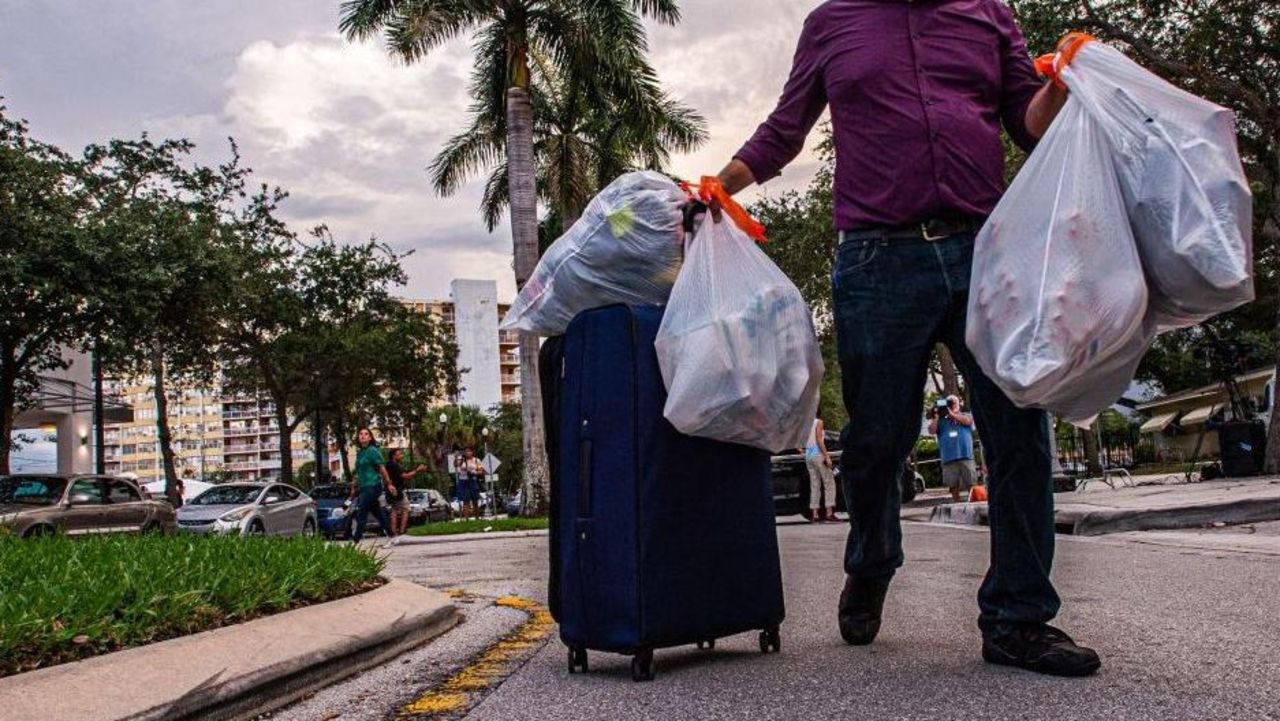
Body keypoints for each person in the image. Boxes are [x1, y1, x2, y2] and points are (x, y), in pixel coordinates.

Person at [712, 4, 1099, 676]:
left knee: (1019, 430)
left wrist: (1060, 81)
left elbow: (1028, 122)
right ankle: (871, 559)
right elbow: (784, 130)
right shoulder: (832, 23)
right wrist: (719, 187)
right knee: (875, 444)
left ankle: (1019, 617)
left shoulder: (988, 15)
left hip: (988, 249)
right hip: (877, 261)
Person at [348, 427, 393, 546]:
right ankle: (391, 535)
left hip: (373, 485)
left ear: (370, 437)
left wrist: (388, 483)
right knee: (377, 512)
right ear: (358, 437)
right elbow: (358, 472)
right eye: (361, 434)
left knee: (361, 511)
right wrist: (354, 488)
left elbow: (381, 468)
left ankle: (355, 541)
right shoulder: (360, 453)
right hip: (363, 487)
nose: (363, 436)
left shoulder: (373, 450)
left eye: (366, 434)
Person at [929, 396, 977, 503]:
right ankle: (957, 504)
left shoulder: (966, 415)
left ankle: (974, 504)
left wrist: (952, 414)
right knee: (953, 485)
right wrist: (936, 417)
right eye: (950, 403)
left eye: (954, 402)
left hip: (966, 455)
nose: (953, 405)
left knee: (971, 483)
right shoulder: (941, 420)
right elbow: (931, 431)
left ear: (959, 403)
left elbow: (968, 422)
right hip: (948, 457)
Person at [384, 448, 428, 544]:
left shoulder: (388, 465)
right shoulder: (394, 465)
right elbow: (405, 476)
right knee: (406, 508)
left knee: (394, 510)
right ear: (394, 456)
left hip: (390, 490)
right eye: (399, 454)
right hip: (397, 490)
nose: (402, 456)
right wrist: (417, 470)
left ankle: (393, 531)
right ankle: (401, 530)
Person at [805, 416, 838, 522]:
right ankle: (829, 511)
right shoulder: (818, 422)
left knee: (814, 485)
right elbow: (819, 439)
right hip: (818, 454)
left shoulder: (805, 423)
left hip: (809, 455)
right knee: (829, 482)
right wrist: (826, 456)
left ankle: (815, 513)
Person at [456, 448, 484, 519]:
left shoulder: (476, 460)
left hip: (473, 480)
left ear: (472, 452)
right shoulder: (461, 460)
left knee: (475, 500)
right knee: (466, 501)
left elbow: (481, 471)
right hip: (463, 481)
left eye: (469, 451)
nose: (468, 453)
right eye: (466, 451)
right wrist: (456, 457)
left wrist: (474, 472)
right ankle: (466, 519)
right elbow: (455, 465)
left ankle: (477, 518)